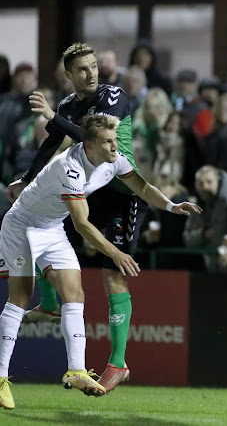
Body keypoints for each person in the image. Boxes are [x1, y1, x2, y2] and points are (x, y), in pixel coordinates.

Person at [0, 114, 201, 409]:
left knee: (75, 294)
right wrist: (116, 253)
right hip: (22, 225)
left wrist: (172, 206)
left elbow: (142, 188)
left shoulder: (114, 158)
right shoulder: (69, 167)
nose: (115, 146)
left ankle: (77, 370)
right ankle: (1, 378)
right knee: (19, 296)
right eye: (108, 141)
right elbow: (82, 225)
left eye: (115, 139)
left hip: (52, 227)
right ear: (90, 144)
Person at [4, 43, 145, 393]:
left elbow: (94, 139)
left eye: (95, 66)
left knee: (112, 278)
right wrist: (26, 180)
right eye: (83, 69)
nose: (92, 73)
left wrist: (52, 116)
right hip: (85, 187)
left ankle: (118, 362)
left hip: (117, 193)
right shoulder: (68, 106)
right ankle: (51, 305)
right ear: (68, 75)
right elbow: (51, 146)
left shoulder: (113, 96)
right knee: (39, 222)